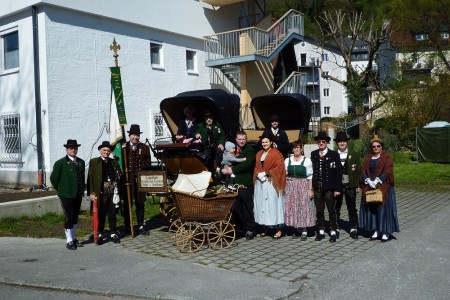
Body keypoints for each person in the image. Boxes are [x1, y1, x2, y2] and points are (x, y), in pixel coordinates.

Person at [359, 135, 400, 242]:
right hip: (370, 187)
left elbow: (388, 171)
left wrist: (377, 180)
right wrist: (367, 180)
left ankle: (385, 232)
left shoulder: (387, 157)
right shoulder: (368, 158)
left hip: (383, 187)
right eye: (374, 147)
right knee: (372, 209)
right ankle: (376, 230)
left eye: (378, 146)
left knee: (383, 210)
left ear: (382, 147)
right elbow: (363, 170)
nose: (376, 148)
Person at [50, 139, 85, 250]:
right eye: (71, 148)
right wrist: (61, 190)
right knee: (69, 216)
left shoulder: (81, 162)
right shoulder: (60, 163)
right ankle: (69, 240)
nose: (73, 150)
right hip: (66, 194)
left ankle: (73, 238)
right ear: (66, 150)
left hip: (78, 194)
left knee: (75, 217)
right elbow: (54, 179)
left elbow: (81, 177)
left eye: (75, 148)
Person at [221, 131, 257, 240]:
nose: (241, 141)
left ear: (246, 140)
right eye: (239, 139)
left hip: (245, 183)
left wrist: (232, 169)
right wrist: (223, 168)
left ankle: (250, 229)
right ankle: (241, 229)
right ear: (236, 140)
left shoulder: (250, 150)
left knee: (247, 207)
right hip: (233, 185)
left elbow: (248, 164)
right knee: (236, 208)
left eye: (243, 139)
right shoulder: (232, 149)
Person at [87, 141, 123, 244]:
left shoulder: (113, 162)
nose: (106, 152)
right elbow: (90, 178)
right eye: (104, 150)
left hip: (112, 190)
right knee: (101, 213)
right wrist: (91, 192)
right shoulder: (94, 162)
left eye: (108, 150)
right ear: (100, 151)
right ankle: (100, 234)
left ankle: (113, 233)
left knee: (112, 212)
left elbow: (119, 174)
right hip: (101, 191)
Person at [311, 131, 342, 243]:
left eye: (323, 141)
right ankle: (320, 231)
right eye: (319, 141)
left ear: (327, 142)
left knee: (331, 210)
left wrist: (338, 189)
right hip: (318, 186)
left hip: (329, 187)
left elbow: (339, 173)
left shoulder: (334, 154)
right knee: (319, 210)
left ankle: (333, 231)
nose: (321, 143)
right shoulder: (314, 154)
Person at [253, 133, 286, 239]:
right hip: (261, 183)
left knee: (273, 205)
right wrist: (258, 174)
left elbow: (280, 167)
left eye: (266, 142)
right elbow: (257, 167)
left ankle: (278, 229)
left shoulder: (276, 153)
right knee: (263, 205)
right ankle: (265, 228)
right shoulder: (259, 154)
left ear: (271, 142)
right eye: (263, 142)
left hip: (272, 183)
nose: (264, 144)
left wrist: (267, 172)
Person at [122, 124, 152, 236]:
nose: (136, 137)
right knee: (127, 203)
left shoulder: (144, 147)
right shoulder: (124, 148)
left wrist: (143, 171)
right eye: (134, 135)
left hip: (140, 179)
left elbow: (148, 161)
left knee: (140, 203)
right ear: (130, 136)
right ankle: (127, 226)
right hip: (127, 180)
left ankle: (140, 225)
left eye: (137, 135)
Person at [284, 141, 314, 240]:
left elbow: (310, 176)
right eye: (295, 148)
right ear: (292, 149)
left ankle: (304, 230)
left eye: (298, 147)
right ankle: (297, 229)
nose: (296, 149)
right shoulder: (287, 160)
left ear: (301, 149)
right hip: (291, 186)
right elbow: (285, 175)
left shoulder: (307, 160)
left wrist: (310, 189)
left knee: (303, 207)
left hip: (303, 186)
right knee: (293, 207)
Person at [333, 131, 361, 239]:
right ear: (337, 143)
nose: (342, 143)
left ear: (347, 142)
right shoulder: (333, 154)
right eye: (340, 141)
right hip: (337, 185)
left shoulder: (354, 154)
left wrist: (358, 185)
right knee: (336, 206)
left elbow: (358, 169)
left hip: (350, 184)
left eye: (344, 141)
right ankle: (336, 226)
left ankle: (353, 227)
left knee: (351, 206)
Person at [194, 110, 226, 176]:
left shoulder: (217, 125)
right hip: (206, 146)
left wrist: (221, 143)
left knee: (219, 151)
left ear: (213, 118)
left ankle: (218, 170)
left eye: (210, 118)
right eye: (207, 118)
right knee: (206, 155)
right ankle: (207, 171)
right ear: (204, 119)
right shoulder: (200, 126)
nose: (209, 119)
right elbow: (195, 132)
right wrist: (197, 134)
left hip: (216, 145)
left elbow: (222, 135)